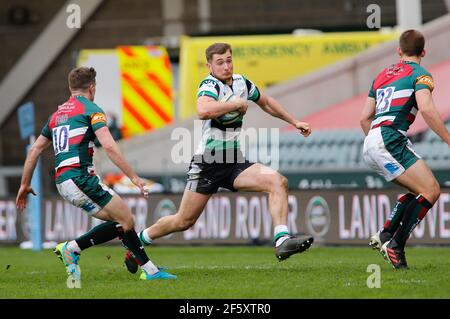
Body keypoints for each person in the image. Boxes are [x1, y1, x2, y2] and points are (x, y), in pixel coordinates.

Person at [124, 42, 314, 274]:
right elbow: (203, 110)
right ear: (209, 65)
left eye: (229, 60)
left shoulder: (242, 83)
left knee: (277, 181)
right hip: (208, 162)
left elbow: (266, 102)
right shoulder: (209, 85)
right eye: (220, 62)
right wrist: (234, 104)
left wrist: (294, 122)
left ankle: (282, 239)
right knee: (183, 221)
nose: (226, 66)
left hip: (234, 160)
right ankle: (138, 241)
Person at [15, 66, 176, 283]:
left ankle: (148, 268)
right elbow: (109, 146)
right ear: (92, 88)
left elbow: (35, 149)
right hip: (80, 178)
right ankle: (75, 249)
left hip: (64, 181)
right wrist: (133, 177)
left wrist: (24, 184)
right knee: (126, 219)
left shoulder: (57, 115)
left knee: (122, 222)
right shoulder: (91, 109)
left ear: (71, 88)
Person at [361, 30, 450, 269]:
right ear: (423, 52)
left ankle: (386, 233)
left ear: (399, 51)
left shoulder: (381, 76)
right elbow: (428, 110)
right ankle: (395, 245)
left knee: (418, 188)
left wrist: (375, 142)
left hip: (372, 140)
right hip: (389, 138)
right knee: (431, 191)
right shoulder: (421, 75)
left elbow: (364, 118)